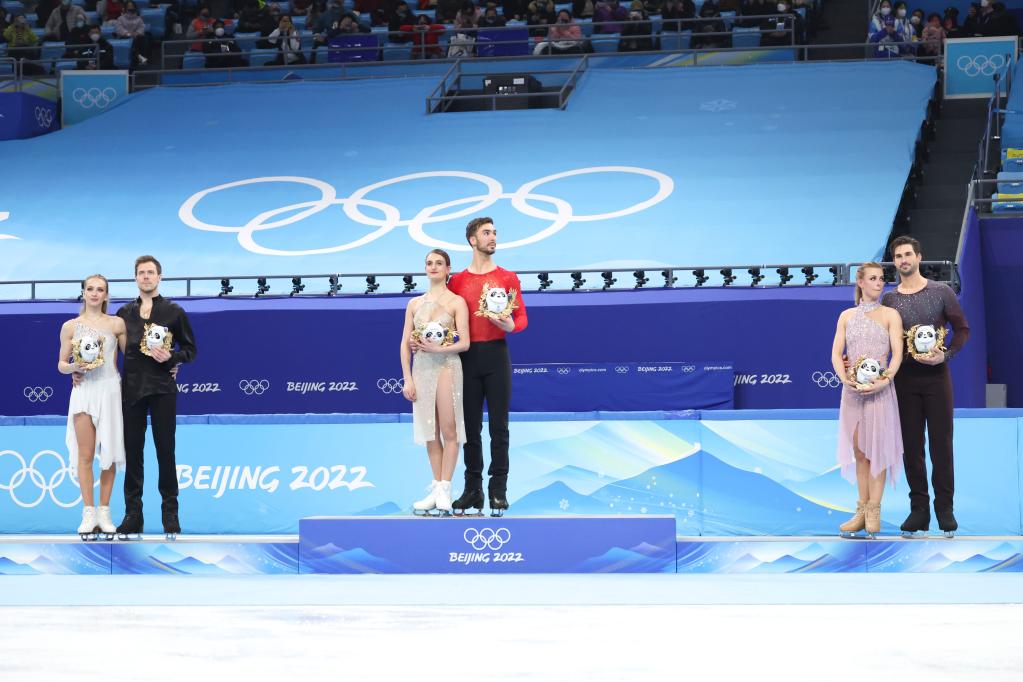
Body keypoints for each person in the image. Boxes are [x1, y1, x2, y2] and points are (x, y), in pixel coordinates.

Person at [881, 236, 969, 537]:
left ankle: (945, 508)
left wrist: (946, 354)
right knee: (911, 446)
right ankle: (919, 510)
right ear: (894, 262)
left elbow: (962, 329)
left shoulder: (941, 291)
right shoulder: (889, 300)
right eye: (898, 256)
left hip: (937, 378)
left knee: (941, 445)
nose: (903, 260)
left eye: (908, 254)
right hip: (904, 380)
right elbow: (885, 340)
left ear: (919, 257)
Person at [446, 217, 528, 516]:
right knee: (469, 429)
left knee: (499, 427)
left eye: (495, 232)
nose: (493, 237)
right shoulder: (456, 282)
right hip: (466, 358)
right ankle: (472, 490)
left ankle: (498, 491)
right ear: (472, 240)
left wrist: (510, 325)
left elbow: (522, 319)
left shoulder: (508, 278)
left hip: (496, 356)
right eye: (486, 233)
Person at [114, 255, 197, 540]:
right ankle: (132, 514)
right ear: (135, 278)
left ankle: (170, 514)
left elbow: (191, 350)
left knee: (165, 451)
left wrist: (173, 358)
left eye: (151, 272)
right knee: (133, 454)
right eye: (141, 273)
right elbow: (108, 350)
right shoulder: (123, 313)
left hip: (162, 389)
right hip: (132, 390)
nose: (146, 277)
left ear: (159, 277)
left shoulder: (174, 311)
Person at [831, 263, 904, 539]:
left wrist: (885, 379)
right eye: (873, 279)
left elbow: (897, 353)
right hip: (852, 392)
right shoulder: (846, 316)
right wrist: (844, 378)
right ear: (860, 282)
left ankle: (874, 510)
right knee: (860, 451)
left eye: (882, 279)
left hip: (880, 390)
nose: (879, 283)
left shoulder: (890, 315)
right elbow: (837, 354)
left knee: (878, 451)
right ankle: (861, 511)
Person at [401, 250, 471, 515]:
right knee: (429, 431)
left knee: (449, 430)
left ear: (448, 268)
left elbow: (464, 343)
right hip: (421, 370)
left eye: (439, 263)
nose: (433, 267)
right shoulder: (414, 304)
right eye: (429, 263)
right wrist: (407, 377)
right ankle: (435, 487)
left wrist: (437, 350)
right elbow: (404, 344)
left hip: (447, 366)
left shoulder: (456, 302)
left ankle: (445, 488)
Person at [58, 275, 127, 540]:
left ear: (107, 295)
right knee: (85, 455)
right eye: (90, 289)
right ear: (83, 293)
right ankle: (88, 512)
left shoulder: (117, 324)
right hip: (83, 392)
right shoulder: (70, 326)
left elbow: (130, 357)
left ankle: (105, 512)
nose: (95, 293)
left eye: (100, 290)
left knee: (108, 452)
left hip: (110, 391)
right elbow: (61, 364)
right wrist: (74, 368)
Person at [115, 0, 151, 66]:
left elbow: (142, 28)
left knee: (143, 39)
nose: (130, 8)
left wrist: (136, 33)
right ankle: (132, 59)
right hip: (125, 37)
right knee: (129, 42)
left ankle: (142, 59)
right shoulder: (120, 19)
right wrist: (128, 34)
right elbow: (119, 29)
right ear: (125, 8)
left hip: (136, 37)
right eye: (128, 6)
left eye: (132, 6)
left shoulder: (139, 19)